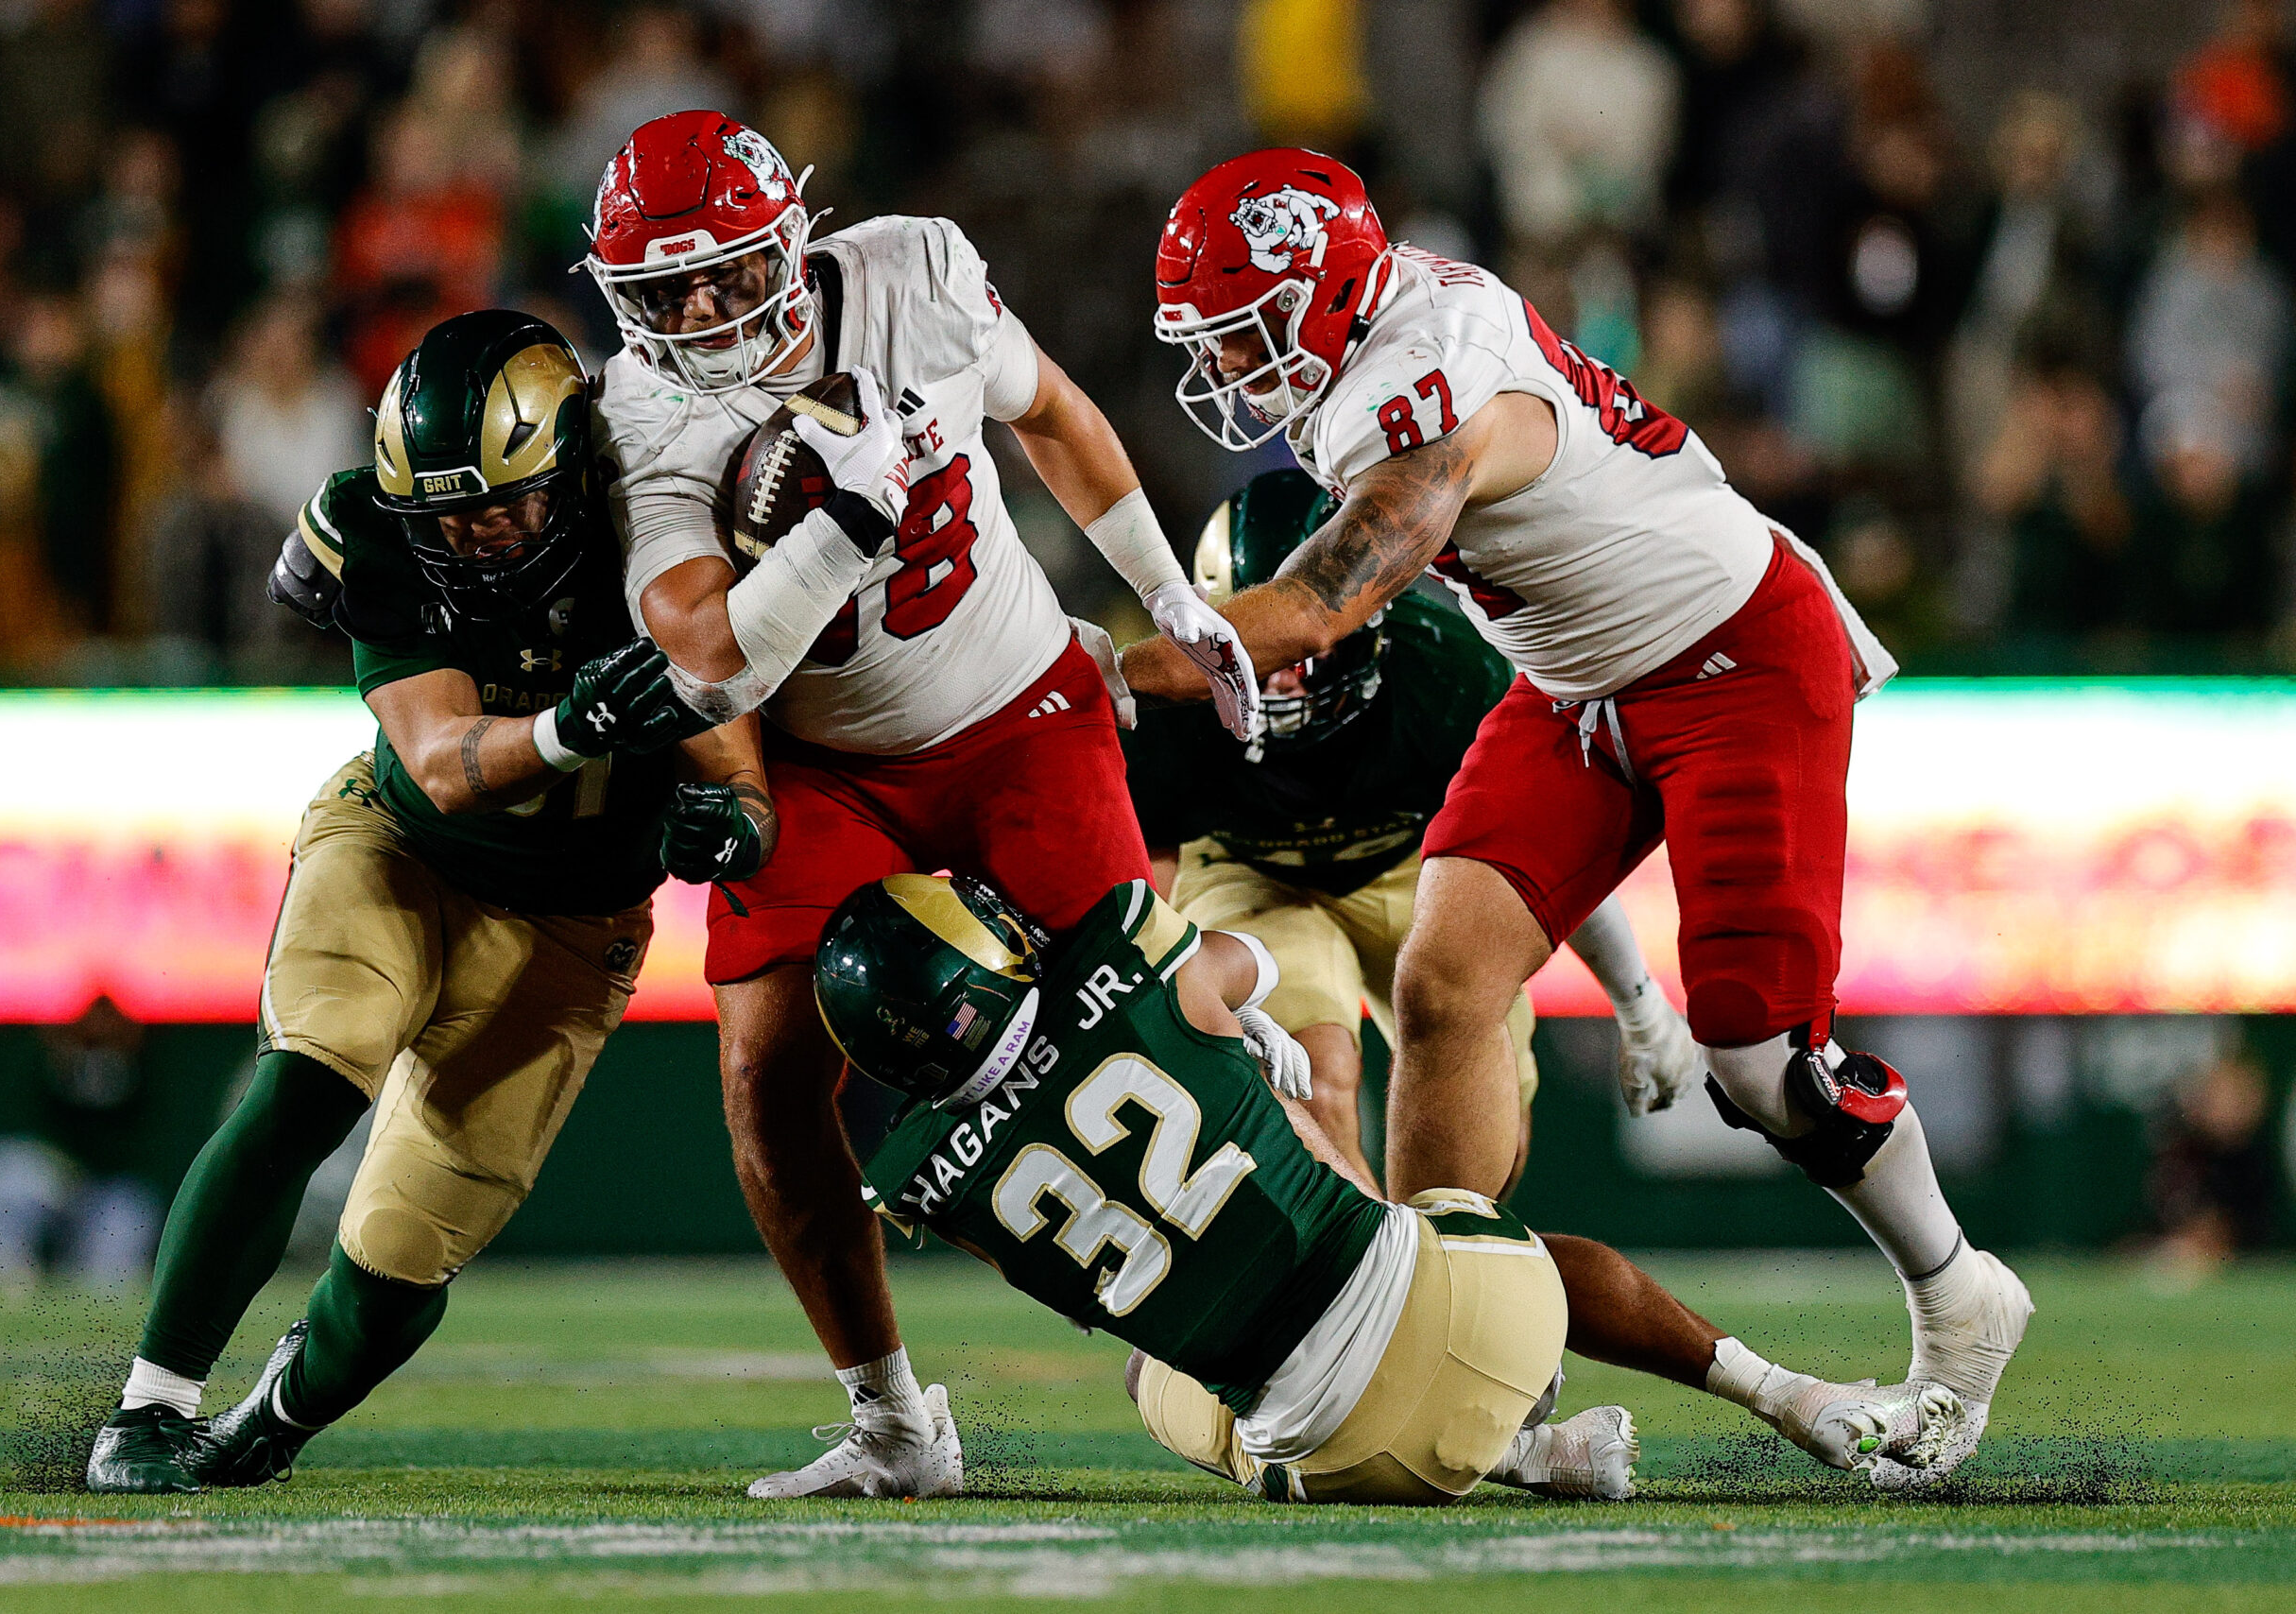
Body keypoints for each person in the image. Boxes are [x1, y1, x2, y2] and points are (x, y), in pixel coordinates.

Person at [1121, 149, 2031, 1487]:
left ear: (1325, 299)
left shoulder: (1421, 386)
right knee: (1440, 985)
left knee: (1759, 1060)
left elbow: (1310, 613)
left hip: (1726, 653)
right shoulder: (1378, 335)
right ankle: (1447, 1308)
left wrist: (1078, 660)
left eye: (1250, 331)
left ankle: (1960, 1301)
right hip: (1577, 677)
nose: (1234, 370)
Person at [585, 111, 1260, 1500]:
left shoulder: (917, 277)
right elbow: (710, 664)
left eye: (729, 275)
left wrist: (1173, 598)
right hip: (830, 766)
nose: (703, 315)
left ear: (796, 242)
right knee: (769, 1078)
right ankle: (893, 1419)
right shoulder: (642, 418)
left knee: (1159, 1036)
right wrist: (846, 520)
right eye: (667, 290)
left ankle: (1305, 1315)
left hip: (1019, 709)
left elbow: (1057, 414)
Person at [85, 311, 762, 1493]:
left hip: (577, 921)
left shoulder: (652, 528)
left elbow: (739, 768)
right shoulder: (371, 530)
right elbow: (446, 756)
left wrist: (730, 821)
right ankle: (147, 1408)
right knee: (315, 1065)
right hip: (404, 844)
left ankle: (270, 1423)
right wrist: (577, 724)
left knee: (408, 1249)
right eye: (446, 510)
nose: (475, 531)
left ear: (568, 461)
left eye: (500, 500)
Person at [822, 872, 1962, 1504]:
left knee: (1154, 1370)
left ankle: (1519, 1455)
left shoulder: (912, 1177)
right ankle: (1788, 1396)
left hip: (1337, 1468)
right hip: (1476, 1318)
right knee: (1473, 1232)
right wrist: (1245, 1032)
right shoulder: (1124, 943)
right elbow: (1254, 966)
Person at [1124, 469, 1701, 1191]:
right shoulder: (1171, 705)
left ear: (1364, 619)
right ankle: (1377, 1281)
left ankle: (1433, 1260)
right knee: (1312, 1074)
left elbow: (1542, 858)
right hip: (1248, 875)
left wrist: (1638, 1000)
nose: (1279, 677)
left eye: (1300, 645)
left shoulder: (1449, 678)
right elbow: (1143, 887)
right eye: (1252, 644)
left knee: (1477, 1153)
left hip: (1418, 866)